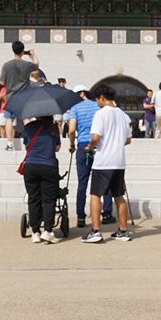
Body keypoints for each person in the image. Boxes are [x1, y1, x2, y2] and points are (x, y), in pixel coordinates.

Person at [81, 85, 132, 243]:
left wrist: (89, 147)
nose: (97, 102)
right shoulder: (124, 115)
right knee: (119, 196)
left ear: (102, 97)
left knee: (96, 195)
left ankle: (96, 231)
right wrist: (116, 143)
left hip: (103, 162)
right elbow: (128, 140)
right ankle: (123, 230)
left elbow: (96, 137)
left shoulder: (100, 114)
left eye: (97, 99)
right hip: (119, 161)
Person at [66, 85, 112, 229]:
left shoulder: (75, 109)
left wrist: (72, 144)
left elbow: (72, 130)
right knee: (105, 182)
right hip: (99, 145)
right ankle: (107, 214)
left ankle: (81, 216)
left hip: (83, 146)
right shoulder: (98, 106)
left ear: (80, 94)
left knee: (82, 183)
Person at [20, 114, 62, 244]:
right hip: (48, 166)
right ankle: (48, 231)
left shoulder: (29, 127)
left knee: (34, 199)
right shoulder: (53, 128)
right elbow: (57, 148)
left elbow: (27, 145)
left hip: (31, 166)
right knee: (49, 200)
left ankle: (35, 232)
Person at [0, 41, 42, 150]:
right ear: (23, 51)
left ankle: (9, 144)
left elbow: (2, 83)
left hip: (10, 97)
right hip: (24, 96)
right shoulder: (27, 65)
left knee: (9, 119)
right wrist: (32, 55)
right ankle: (31, 140)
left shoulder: (7, 65)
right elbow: (37, 65)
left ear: (13, 50)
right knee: (26, 118)